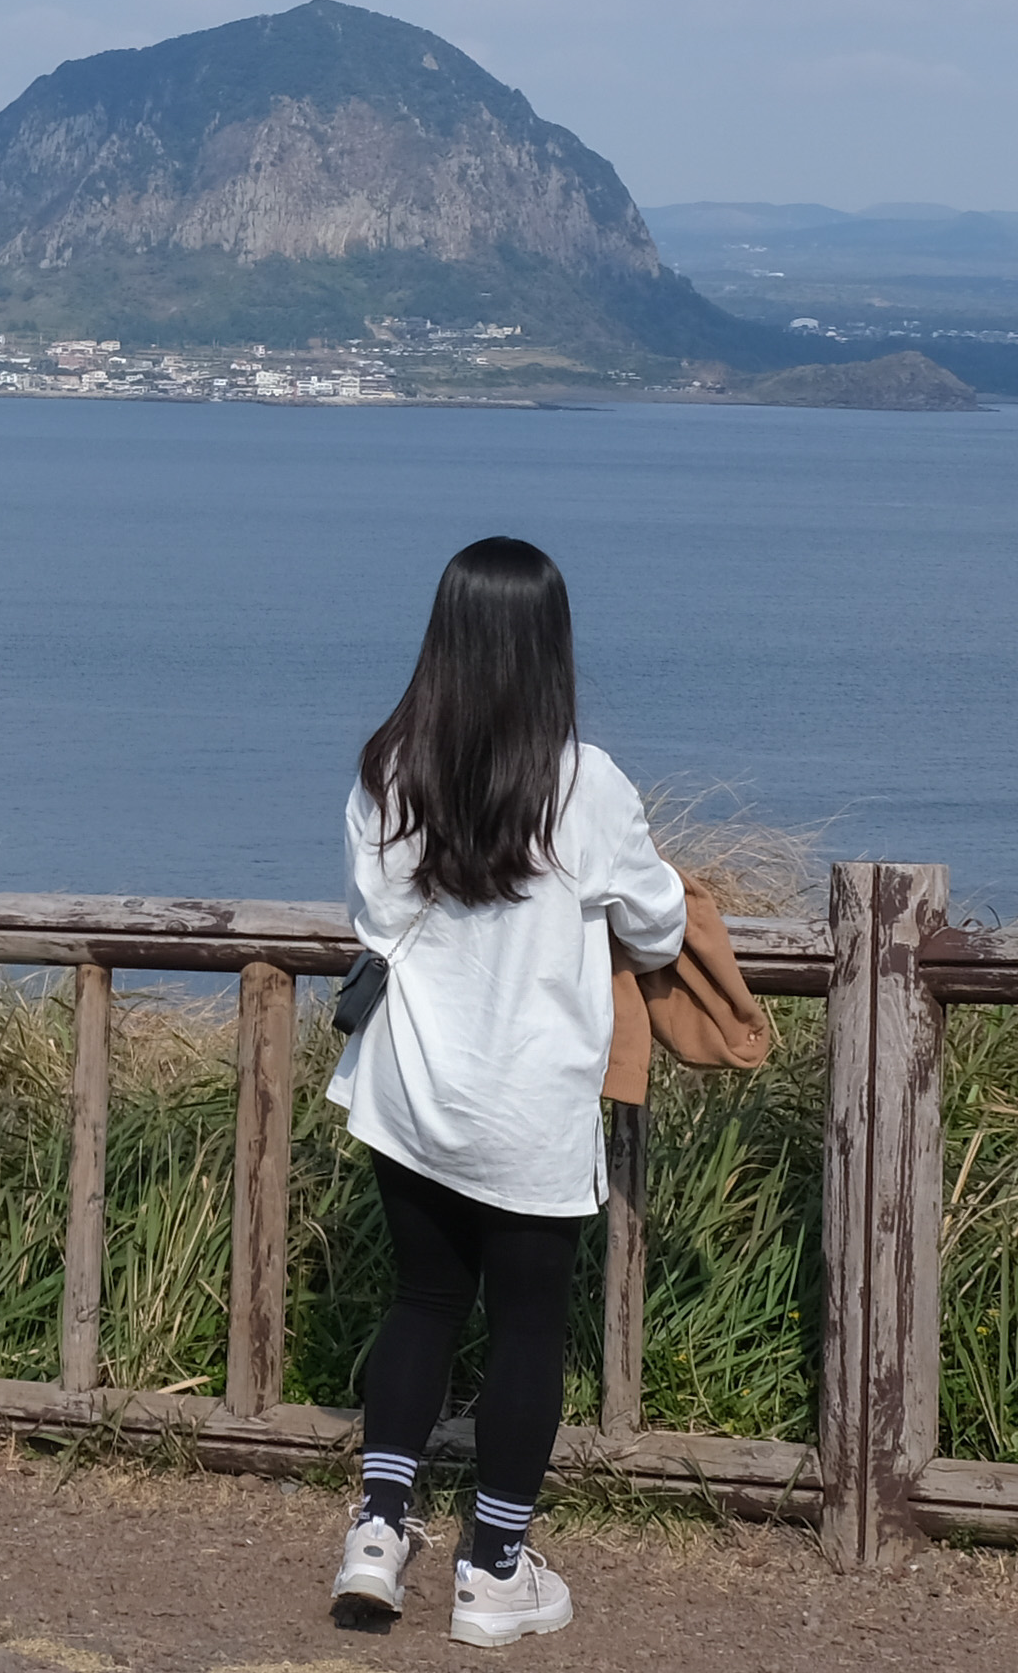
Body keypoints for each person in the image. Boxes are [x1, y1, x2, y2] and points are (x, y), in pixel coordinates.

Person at [324, 537, 685, 1647]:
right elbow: (658, 924)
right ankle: (492, 1570)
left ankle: (377, 1532)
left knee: (423, 1300)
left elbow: (379, 921)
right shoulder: (586, 783)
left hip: (411, 1091)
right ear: (549, 645)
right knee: (528, 1326)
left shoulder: (390, 769)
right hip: (531, 1105)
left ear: (444, 634)